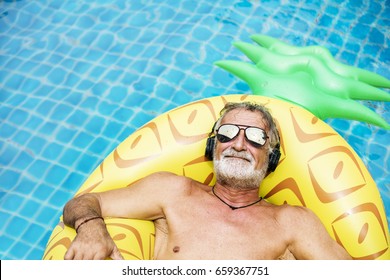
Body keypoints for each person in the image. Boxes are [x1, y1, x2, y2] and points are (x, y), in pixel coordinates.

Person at [63, 101, 352, 260]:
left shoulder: (291, 222)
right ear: (213, 146)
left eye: (254, 137)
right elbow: (84, 202)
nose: (239, 144)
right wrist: (91, 229)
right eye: (227, 133)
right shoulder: (172, 191)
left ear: (271, 157)